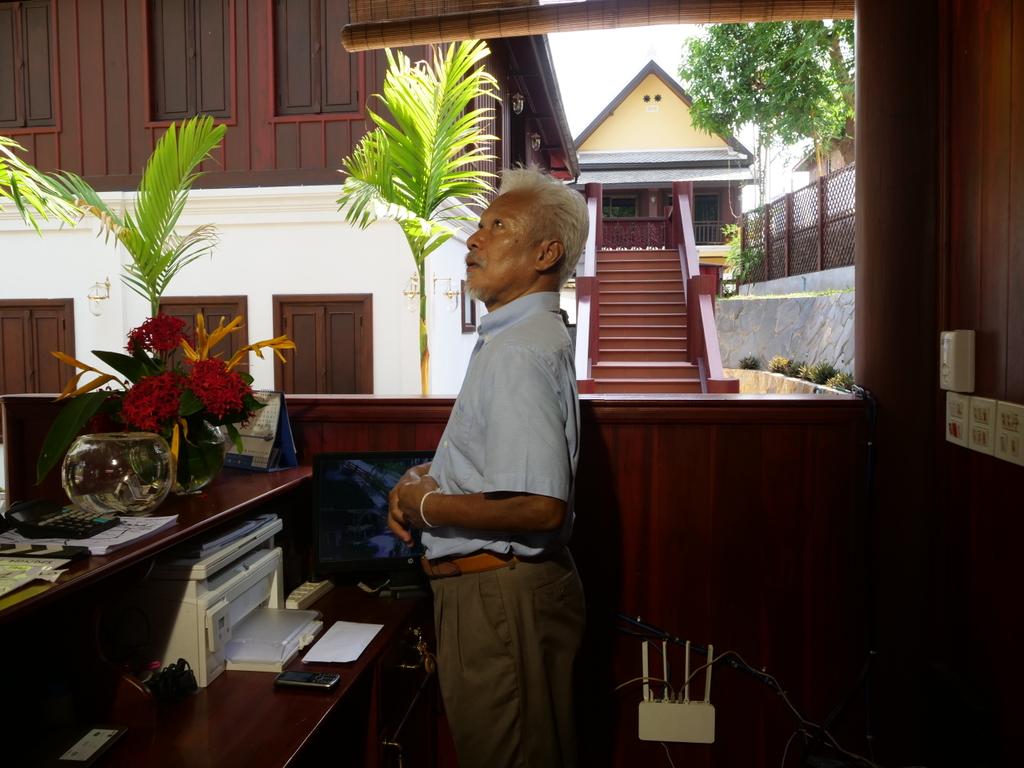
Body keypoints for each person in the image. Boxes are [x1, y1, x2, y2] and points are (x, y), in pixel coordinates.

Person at [387, 166, 589, 768]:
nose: (474, 240)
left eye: (498, 227)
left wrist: (424, 504)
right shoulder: (518, 336)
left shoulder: (518, 351)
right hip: (497, 592)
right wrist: (424, 478)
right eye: (478, 227)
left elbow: (540, 505)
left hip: (499, 595)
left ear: (545, 253)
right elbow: (500, 459)